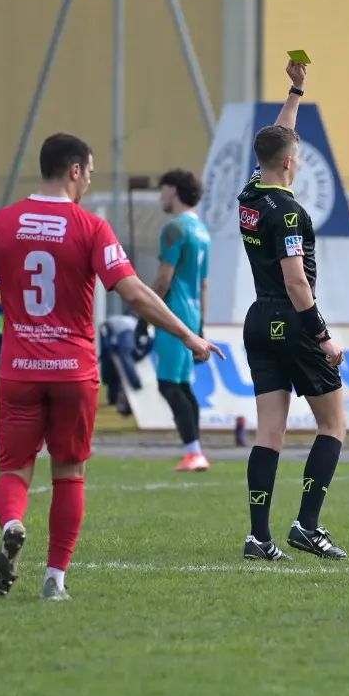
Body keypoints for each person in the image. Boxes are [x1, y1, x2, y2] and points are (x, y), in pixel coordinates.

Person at [0, 132, 222, 601]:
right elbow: (133, 293)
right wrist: (188, 334)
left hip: (19, 370)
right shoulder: (89, 227)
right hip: (73, 371)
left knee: (13, 470)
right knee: (69, 474)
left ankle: (12, 523)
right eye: (89, 172)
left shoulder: (2, 224)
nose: (89, 181)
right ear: (74, 170)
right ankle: (55, 581)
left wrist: (12, 301)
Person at [237, 58, 347, 563]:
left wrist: (295, 92)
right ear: (289, 164)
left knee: (270, 433)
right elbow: (296, 279)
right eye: (296, 157)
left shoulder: (251, 195)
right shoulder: (290, 212)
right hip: (290, 319)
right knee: (332, 426)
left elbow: (276, 139)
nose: (297, 161)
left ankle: (259, 537)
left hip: (257, 319)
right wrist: (322, 335)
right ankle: (306, 525)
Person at [148, 168, 212, 472]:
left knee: (168, 385)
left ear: (173, 190)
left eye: (162, 189)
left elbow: (163, 279)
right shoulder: (201, 230)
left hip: (172, 312)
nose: (161, 196)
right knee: (182, 385)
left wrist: (142, 313)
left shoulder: (175, 228)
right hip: (193, 314)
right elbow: (203, 284)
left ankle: (194, 452)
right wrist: (200, 327)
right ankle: (195, 451)